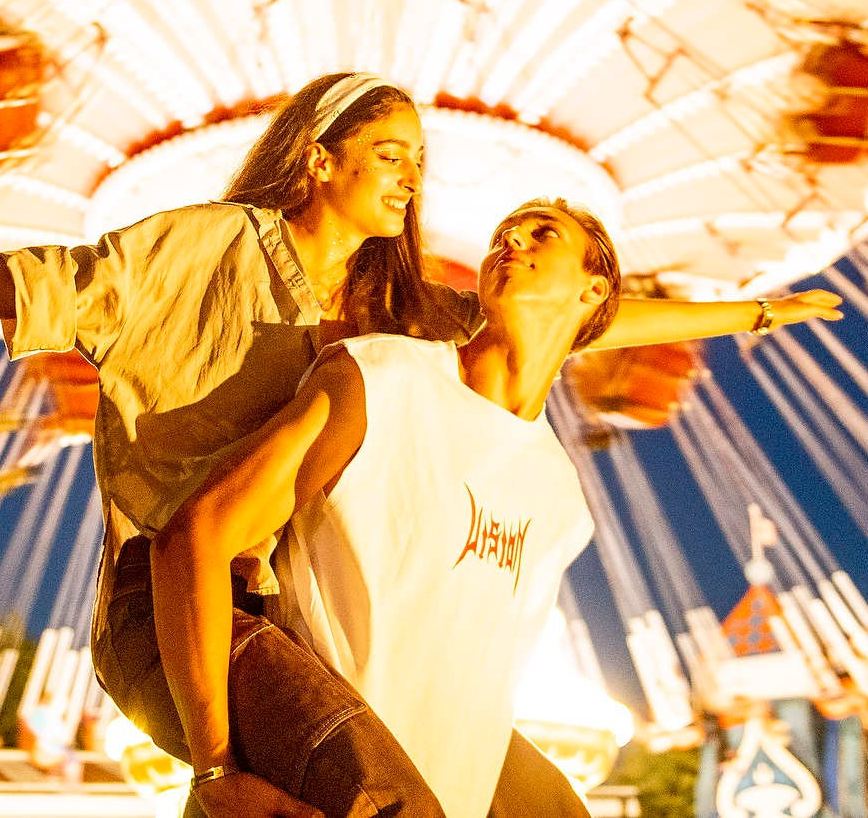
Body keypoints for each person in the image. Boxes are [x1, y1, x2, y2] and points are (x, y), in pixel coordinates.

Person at [0, 73, 843, 805]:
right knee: (384, 798)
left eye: (419, 160)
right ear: (319, 158)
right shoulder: (201, 249)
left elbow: (560, 315)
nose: (412, 177)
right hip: (177, 596)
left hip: (286, 614)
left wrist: (741, 312)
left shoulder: (387, 309)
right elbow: (22, 283)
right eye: (389, 153)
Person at [150, 199, 621, 818]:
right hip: (316, 788)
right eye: (504, 233)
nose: (510, 242)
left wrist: (749, 314)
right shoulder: (382, 378)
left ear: (593, 290)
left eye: (542, 234)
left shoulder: (561, 499)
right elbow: (196, 535)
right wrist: (215, 769)